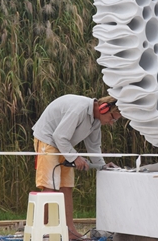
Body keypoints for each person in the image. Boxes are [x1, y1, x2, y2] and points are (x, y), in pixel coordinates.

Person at [32, 94, 121, 239]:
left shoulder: (96, 121)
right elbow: (59, 136)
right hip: (47, 139)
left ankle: (70, 231)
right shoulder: (79, 109)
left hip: (64, 144)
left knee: (66, 186)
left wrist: (102, 166)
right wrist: (75, 157)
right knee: (49, 185)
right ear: (104, 108)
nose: (112, 123)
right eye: (113, 118)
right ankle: (43, 231)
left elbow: (94, 146)